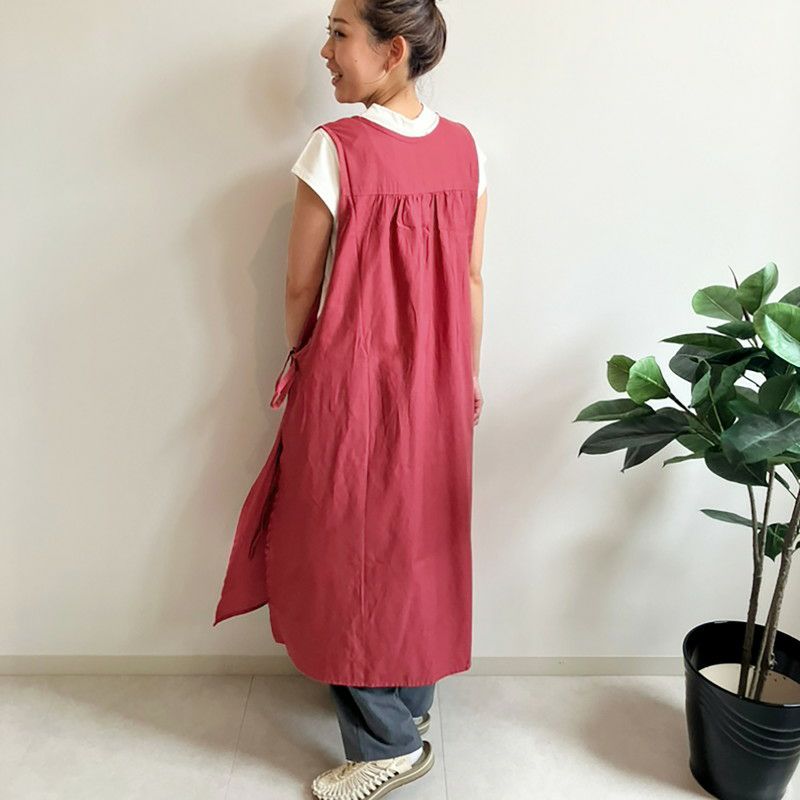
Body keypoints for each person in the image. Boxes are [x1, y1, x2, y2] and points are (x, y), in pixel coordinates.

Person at [214, 0, 487, 797]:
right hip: (442, 383)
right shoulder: (466, 149)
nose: (325, 51)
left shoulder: (335, 148)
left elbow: (301, 285)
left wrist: (303, 356)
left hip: (352, 384)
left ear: (392, 50)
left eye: (339, 34)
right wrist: (465, 377)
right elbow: (472, 278)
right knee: (417, 542)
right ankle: (408, 705)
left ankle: (385, 746)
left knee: (345, 554)